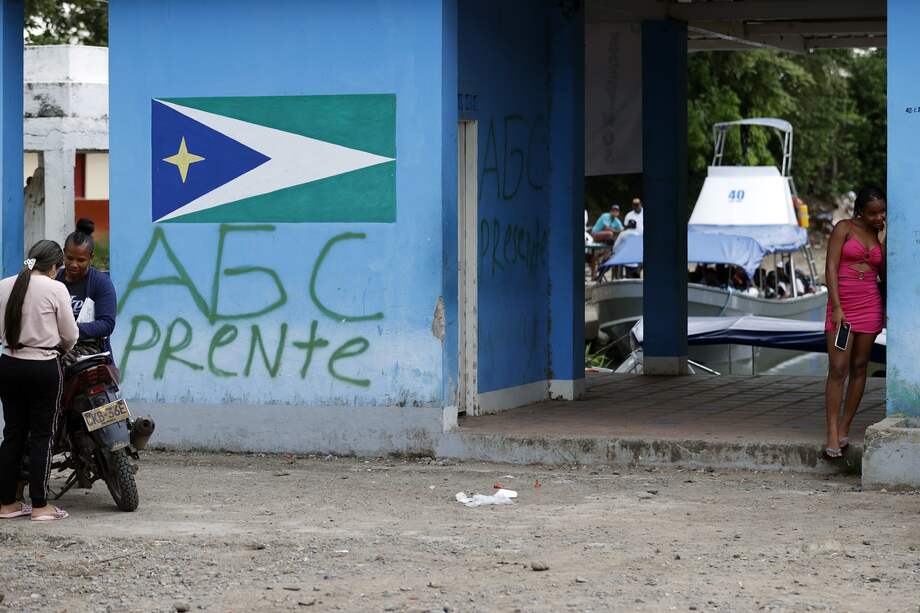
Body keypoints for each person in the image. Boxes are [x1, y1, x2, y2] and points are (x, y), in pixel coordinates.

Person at [0, 240, 78, 521]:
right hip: (43, 368)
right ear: (54, 267)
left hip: (8, 364)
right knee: (42, 436)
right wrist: (61, 348)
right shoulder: (56, 288)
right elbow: (70, 334)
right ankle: (40, 505)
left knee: (13, 434)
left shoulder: (6, 284)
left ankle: (6, 503)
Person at [822, 186, 886, 460]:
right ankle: (832, 434)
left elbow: (883, 273)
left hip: (870, 302)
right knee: (838, 368)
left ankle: (845, 426)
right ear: (860, 209)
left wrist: (883, 240)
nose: (878, 216)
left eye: (882, 211)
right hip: (843, 304)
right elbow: (830, 268)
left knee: (860, 366)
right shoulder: (843, 228)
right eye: (873, 212)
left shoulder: (879, 234)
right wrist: (836, 307)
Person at [57, 219, 117, 358]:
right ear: (64, 253)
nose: (74, 264)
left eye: (81, 260)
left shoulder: (101, 283)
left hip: (90, 356)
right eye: (69, 258)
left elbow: (107, 324)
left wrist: (70, 331)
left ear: (91, 258)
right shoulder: (54, 280)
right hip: (57, 352)